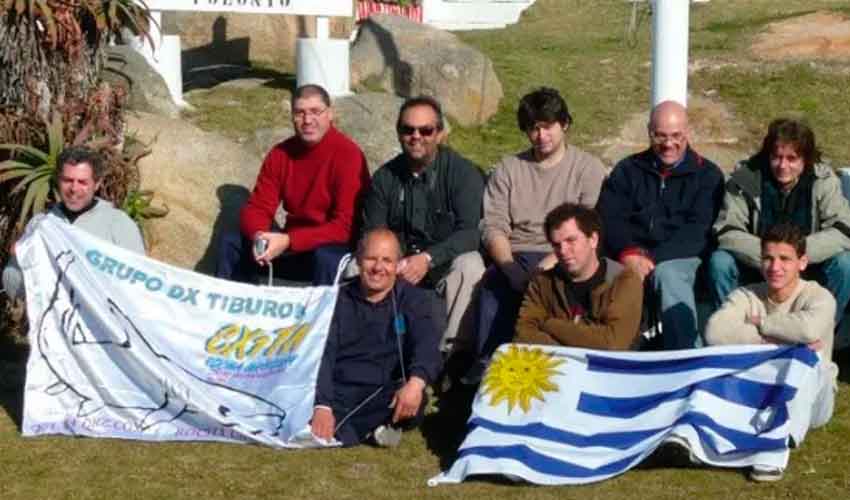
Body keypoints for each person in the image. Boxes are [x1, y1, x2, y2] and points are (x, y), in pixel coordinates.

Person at [473, 88, 606, 371]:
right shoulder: (509, 169)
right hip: (517, 252)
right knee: (495, 283)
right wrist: (510, 268)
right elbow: (494, 223)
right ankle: (488, 366)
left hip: (564, 251)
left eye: (548, 127)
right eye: (534, 129)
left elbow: (590, 222)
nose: (541, 136)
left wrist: (554, 258)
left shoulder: (587, 168)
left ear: (564, 124)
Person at [705, 223, 838, 482]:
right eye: (768, 258)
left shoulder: (819, 296)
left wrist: (762, 324)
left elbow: (810, 330)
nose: (774, 267)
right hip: (762, 390)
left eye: (784, 259)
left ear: (802, 262)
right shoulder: (746, 295)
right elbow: (715, 332)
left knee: (806, 358)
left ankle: (775, 448)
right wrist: (784, 342)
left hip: (814, 401)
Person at [361, 95, 486, 354]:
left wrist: (428, 258)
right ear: (399, 133)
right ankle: (365, 347)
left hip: (442, 264)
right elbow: (374, 231)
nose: (416, 136)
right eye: (408, 130)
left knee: (471, 264)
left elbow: (471, 233)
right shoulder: (384, 178)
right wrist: (393, 263)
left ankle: (451, 354)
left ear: (439, 134)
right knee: (357, 265)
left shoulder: (463, 174)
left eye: (426, 130)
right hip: (398, 264)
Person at [596, 100, 724, 349]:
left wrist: (651, 260)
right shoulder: (627, 170)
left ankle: (683, 356)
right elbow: (610, 217)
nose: (668, 144)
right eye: (660, 136)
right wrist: (629, 253)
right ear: (649, 132)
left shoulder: (708, 175)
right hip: (630, 254)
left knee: (668, 276)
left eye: (676, 136)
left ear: (687, 133)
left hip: (682, 257)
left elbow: (698, 231)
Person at [216, 84, 369, 286]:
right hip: (291, 244)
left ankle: (322, 317)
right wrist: (260, 236)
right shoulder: (281, 154)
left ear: (330, 114)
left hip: (331, 247)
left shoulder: (348, 155)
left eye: (315, 112)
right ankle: (228, 310)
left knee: (327, 257)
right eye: (299, 113)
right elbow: (258, 207)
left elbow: (344, 227)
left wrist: (289, 240)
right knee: (231, 242)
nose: (307, 120)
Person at [709, 118, 850, 329]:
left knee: (844, 264)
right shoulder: (745, 179)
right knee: (720, 262)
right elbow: (726, 230)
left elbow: (842, 229)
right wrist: (771, 257)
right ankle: (732, 331)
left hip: (807, 264)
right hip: (757, 264)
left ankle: (823, 332)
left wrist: (795, 255)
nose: (783, 165)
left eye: (792, 158)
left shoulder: (823, 180)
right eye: (776, 157)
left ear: (806, 159)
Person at [310, 228, 442, 447]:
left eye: (387, 260)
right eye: (371, 258)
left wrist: (415, 385)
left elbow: (427, 345)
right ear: (359, 260)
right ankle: (368, 430)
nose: (378, 268)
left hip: (384, 392)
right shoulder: (336, 298)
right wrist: (322, 405)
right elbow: (323, 354)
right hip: (340, 389)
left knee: (414, 402)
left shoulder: (412, 299)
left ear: (397, 264)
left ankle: (353, 429)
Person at [2, 146, 145, 300]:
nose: (74, 188)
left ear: (96, 184)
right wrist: (20, 260)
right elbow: (14, 289)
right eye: (67, 180)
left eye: (82, 182)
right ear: (58, 181)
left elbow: (139, 286)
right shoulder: (40, 223)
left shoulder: (119, 224)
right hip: (49, 321)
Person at [514, 203, 643, 348]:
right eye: (557, 245)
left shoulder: (624, 281)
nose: (563, 251)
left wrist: (548, 323)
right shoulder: (542, 283)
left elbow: (612, 343)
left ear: (593, 239)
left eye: (571, 241)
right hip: (555, 366)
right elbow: (523, 334)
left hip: (607, 369)